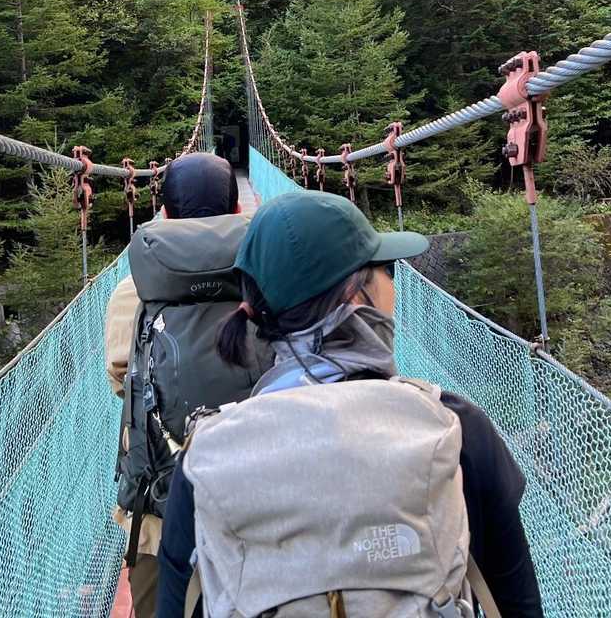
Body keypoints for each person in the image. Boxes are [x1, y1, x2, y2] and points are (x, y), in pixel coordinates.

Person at [157, 189, 544, 618]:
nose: (393, 286)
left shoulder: (205, 458)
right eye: (385, 271)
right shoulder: (454, 427)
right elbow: (517, 602)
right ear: (356, 296)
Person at [104, 152, 269, 618]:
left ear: (165, 213)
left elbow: (121, 378)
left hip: (162, 502)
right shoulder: (271, 270)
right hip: (263, 505)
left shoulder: (134, 288)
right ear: (238, 209)